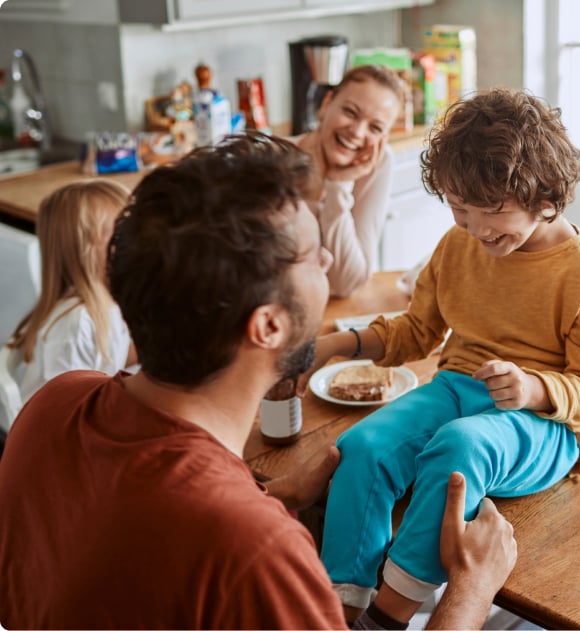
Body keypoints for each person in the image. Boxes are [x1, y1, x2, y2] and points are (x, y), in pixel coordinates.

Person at [0, 133, 516, 630]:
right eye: (313, 256)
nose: (329, 260)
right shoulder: (257, 553)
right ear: (268, 325)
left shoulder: (54, 404)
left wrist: (276, 493)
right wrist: (472, 587)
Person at [299, 88, 580, 625]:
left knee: (459, 447)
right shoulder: (459, 245)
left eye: (493, 211)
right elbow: (418, 331)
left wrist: (532, 388)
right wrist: (334, 346)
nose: (476, 229)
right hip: (455, 388)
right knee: (362, 446)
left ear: (546, 197)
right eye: (459, 209)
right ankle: (341, 604)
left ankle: (389, 614)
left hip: (544, 425)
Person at [8, 180, 136, 404]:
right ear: (84, 251)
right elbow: (61, 411)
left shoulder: (105, 306)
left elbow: (109, 359)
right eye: (120, 236)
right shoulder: (76, 326)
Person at [294, 64, 404, 297]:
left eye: (375, 127)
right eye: (350, 112)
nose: (357, 132)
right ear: (326, 104)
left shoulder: (378, 163)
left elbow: (348, 282)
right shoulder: (276, 156)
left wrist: (338, 185)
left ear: (383, 138)